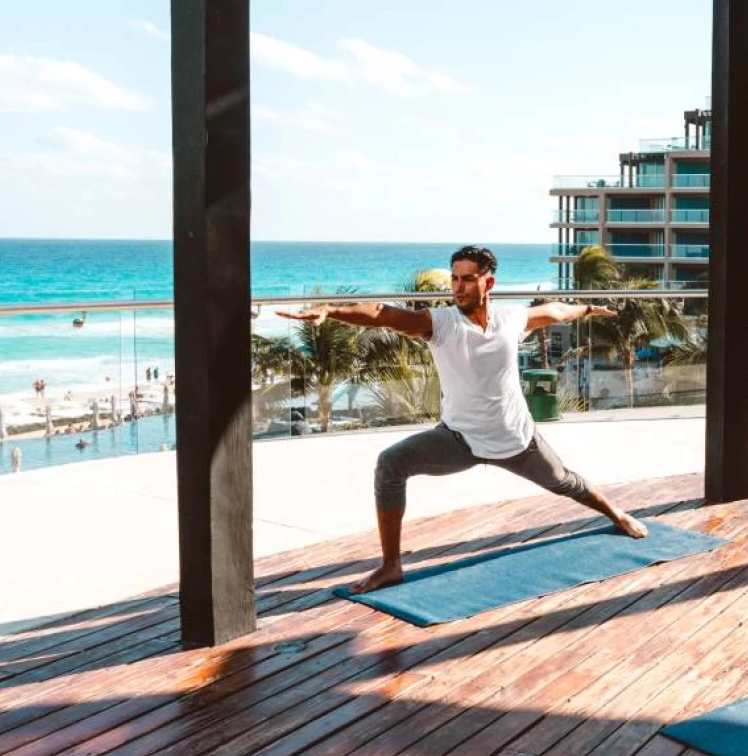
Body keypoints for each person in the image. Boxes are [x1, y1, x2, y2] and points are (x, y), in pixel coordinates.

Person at [276, 244, 648, 595]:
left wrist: (586, 310)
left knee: (565, 481)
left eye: (468, 278)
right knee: (390, 464)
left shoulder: (512, 318)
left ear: (489, 281)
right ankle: (391, 565)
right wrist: (332, 311)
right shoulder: (441, 324)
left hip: (516, 438)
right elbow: (384, 315)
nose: (458, 287)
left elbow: (555, 311)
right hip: (459, 440)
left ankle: (616, 514)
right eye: (454, 278)